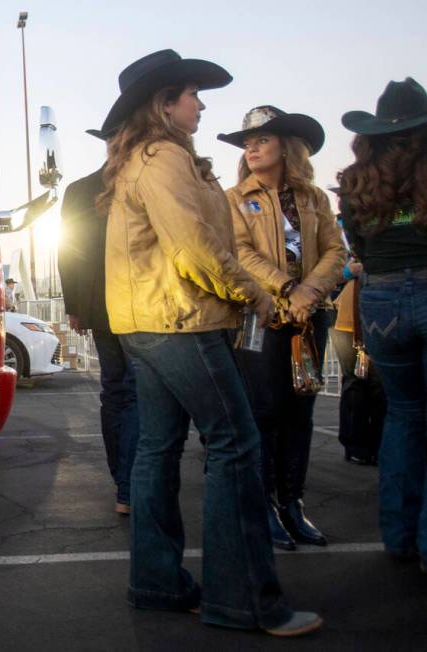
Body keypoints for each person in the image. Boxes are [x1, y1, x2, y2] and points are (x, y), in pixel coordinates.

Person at [100, 49, 321, 635]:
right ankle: (244, 599)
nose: (201, 103)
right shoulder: (164, 158)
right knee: (237, 447)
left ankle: (157, 583)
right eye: (193, 94)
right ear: (165, 103)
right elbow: (195, 250)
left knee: (157, 449)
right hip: (182, 322)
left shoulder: (149, 159)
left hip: (147, 322)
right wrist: (257, 296)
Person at [218, 106, 345, 550]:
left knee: (301, 412)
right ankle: (265, 507)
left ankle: (293, 504)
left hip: (311, 317)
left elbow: (336, 251)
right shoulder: (234, 199)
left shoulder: (314, 198)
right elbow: (239, 253)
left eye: (261, 141)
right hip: (261, 316)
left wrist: (310, 292)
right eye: (248, 143)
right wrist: (287, 287)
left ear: (286, 147)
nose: (251, 149)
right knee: (263, 412)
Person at [337, 77, 427, 573]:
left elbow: (362, 253)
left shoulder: (355, 183)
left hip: (382, 297)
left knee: (404, 415)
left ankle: (398, 536)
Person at [58, 150, 139, 515]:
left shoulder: (79, 188)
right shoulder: (142, 182)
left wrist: (75, 305)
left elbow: (67, 252)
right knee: (135, 393)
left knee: (116, 391)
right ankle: (130, 484)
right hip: (140, 303)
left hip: (101, 306)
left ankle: (123, 484)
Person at [330, 255, 385, 465]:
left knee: (379, 386)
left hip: (380, 317)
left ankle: (378, 445)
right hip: (347, 320)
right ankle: (355, 445)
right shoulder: (342, 239)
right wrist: (347, 272)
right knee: (354, 382)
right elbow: (326, 275)